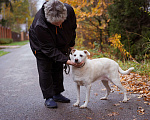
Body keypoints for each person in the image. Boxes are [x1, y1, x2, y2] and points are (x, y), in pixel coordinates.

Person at [29, 0, 83, 108]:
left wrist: (71, 44)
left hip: (60, 41)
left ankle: (57, 93)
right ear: (49, 19)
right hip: (40, 46)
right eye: (56, 24)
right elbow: (49, 50)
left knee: (58, 65)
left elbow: (73, 28)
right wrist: (68, 61)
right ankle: (48, 97)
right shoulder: (40, 25)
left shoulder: (69, 11)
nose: (59, 24)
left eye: (61, 22)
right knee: (45, 68)